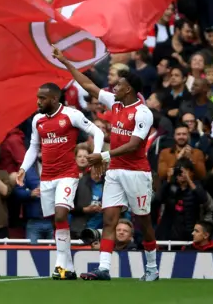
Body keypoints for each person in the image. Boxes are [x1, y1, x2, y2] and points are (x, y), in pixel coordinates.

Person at [53, 46, 158, 282]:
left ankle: (152, 267)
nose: (113, 88)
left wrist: (103, 156)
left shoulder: (142, 113)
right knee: (109, 218)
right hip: (116, 172)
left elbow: (134, 145)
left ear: (128, 89)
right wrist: (67, 63)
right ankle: (104, 269)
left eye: (118, 85)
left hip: (137, 173)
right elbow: (89, 86)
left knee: (144, 221)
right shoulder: (116, 103)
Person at [17, 82, 104, 280]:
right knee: (57, 222)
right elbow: (33, 147)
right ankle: (69, 268)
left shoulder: (72, 115)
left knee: (60, 214)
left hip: (67, 174)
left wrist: (97, 154)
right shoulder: (37, 120)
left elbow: (97, 132)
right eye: (37, 97)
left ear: (55, 99)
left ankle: (58, 265)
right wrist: (23, 167)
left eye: (42, 98)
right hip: (46, 177)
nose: (38, 101)